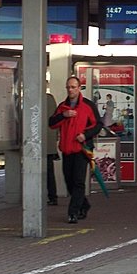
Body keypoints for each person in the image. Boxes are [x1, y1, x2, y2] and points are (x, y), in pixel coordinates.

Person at [49, 76, 103, 224]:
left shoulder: (87, 106)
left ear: (79, 88)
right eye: (68, 87)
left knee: (78, 181)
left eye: (73, 87)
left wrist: (85, 135)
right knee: (69, 181)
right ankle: (84, 205)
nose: (70, 90)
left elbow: (98, 124)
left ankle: (73, 213)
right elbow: (51, 123)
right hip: (67, 150)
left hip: (81, 149)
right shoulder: (62, 107)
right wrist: (63, 115)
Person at [46, 92, 60, 206]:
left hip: (39, 143)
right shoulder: (51, 99)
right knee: (50, 172)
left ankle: (49, 196)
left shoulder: (34, 99)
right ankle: (52, 196)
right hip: (50, 143)